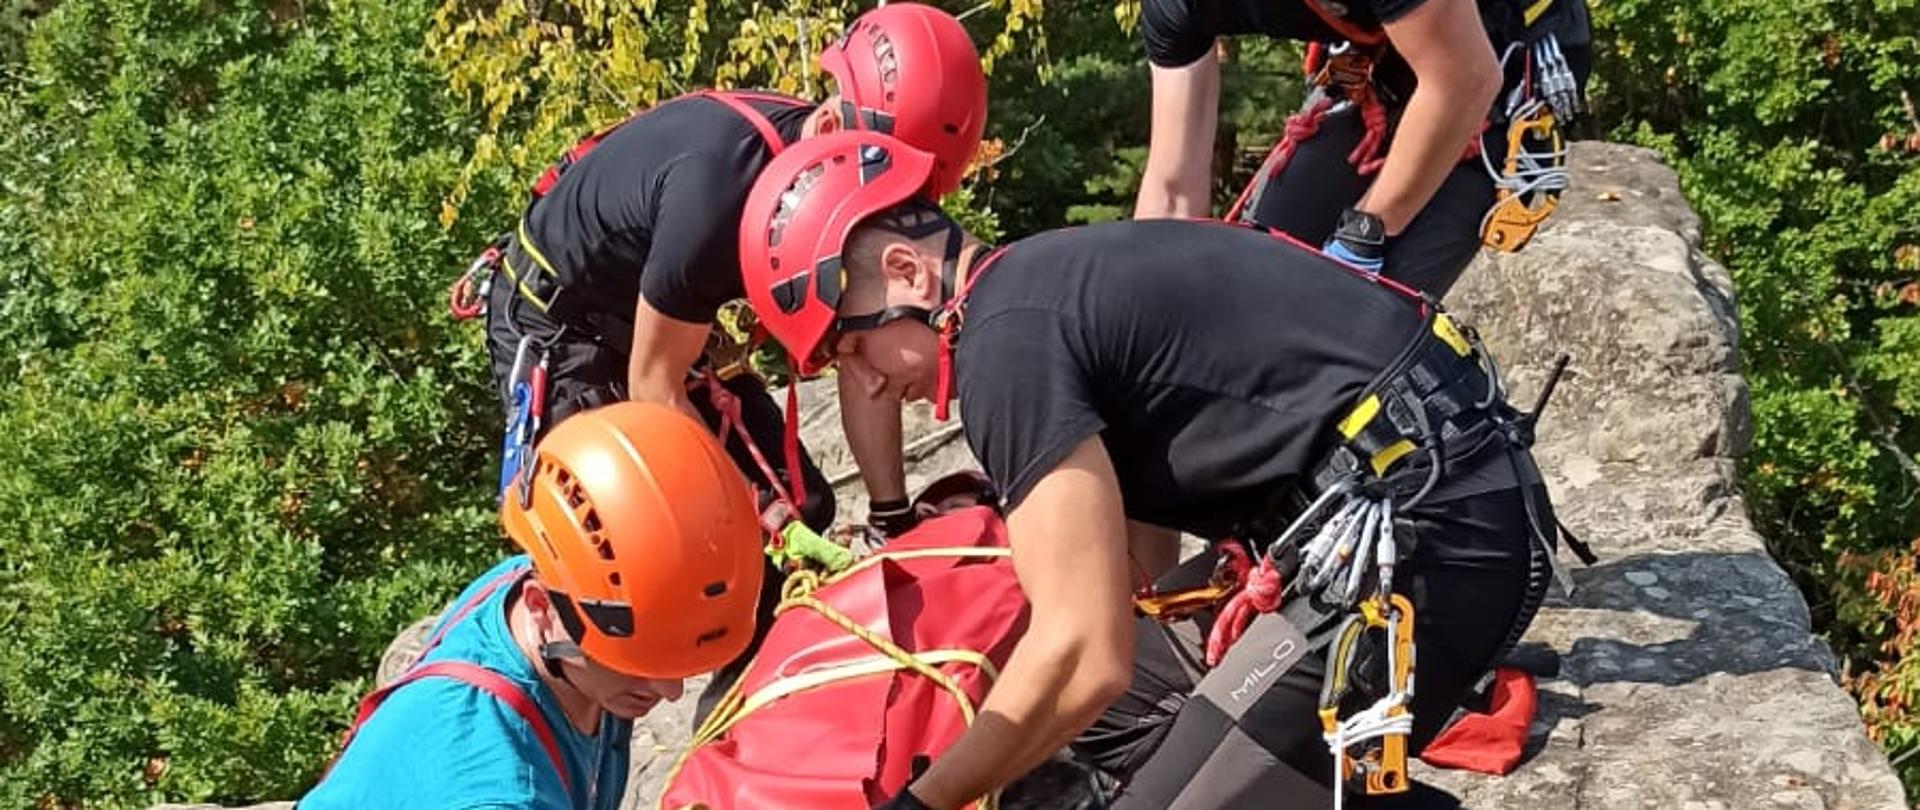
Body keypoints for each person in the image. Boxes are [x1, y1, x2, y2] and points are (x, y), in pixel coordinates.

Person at [736, 131, 1565, 809]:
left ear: (908, 274)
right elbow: (1109, 626)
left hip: (1429, 540)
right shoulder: (1036, 288)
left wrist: (925, 803)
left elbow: (1084, 654)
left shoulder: (1003, 345)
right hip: (1419, 505)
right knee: (1100, 719)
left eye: (854, 347)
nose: (868, 384)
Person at [482, 1, 988, 536]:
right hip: (560, 325)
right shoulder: (718, 199)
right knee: (641, 542)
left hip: (655, 319)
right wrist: (748, 515)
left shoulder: (838, 178)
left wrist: (892, 519)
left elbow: (860, 351)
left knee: (806, 506)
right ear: (829, 124)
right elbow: (654, 385)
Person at [301, 401, 766, 810]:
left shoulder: (550, 582)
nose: (671, 691)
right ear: (541, 606)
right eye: (636, 660)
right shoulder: (505, 791)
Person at [1132, 0, 1590, 297]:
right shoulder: (1176, 6)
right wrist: (1134, 308)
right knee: (1254, 288)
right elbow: (1172, 194)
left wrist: (1361, 238)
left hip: (1497, 61)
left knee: (1349, 331)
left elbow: (1465, 80)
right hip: (1378, 54)